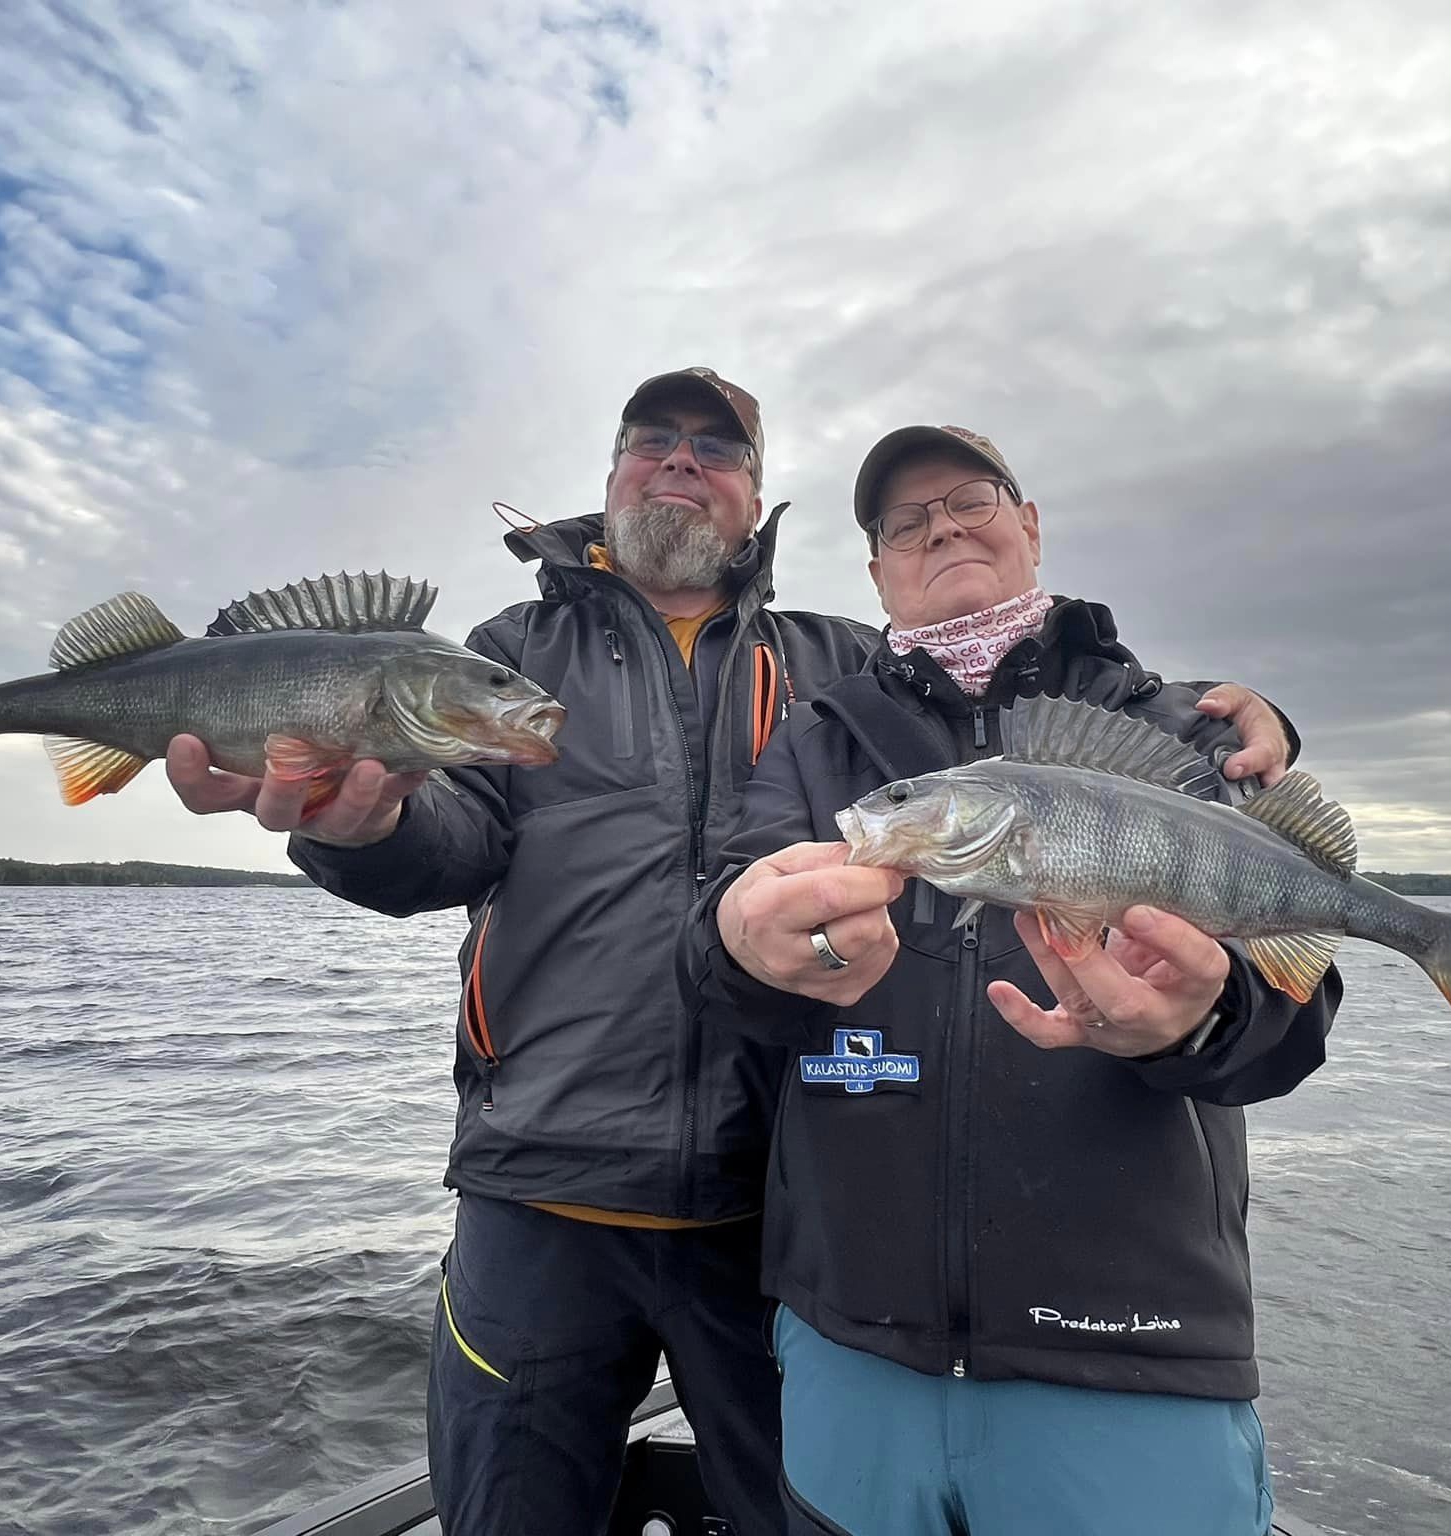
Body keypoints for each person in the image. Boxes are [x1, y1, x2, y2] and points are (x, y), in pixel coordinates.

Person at [165, 380, 1296, 1534]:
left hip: (759, 1212)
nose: (680, 464)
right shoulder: (511, 655)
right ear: (611, 479)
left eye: (718, 449)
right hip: (537, 1189)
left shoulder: (839, 668)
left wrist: (1230, 726)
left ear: (757, 501)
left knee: (774, 1507)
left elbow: (995, 704)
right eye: (652, 443)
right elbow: (447, 841)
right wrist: (361, 825)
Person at [680, 424, 1341, 1536]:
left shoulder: (1182, 728)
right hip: (854, 1342)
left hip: (1134, 1351)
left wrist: (1200, 1017)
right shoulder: (815, 746)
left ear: (1030, 526)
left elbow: (1293, 1017)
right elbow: (718, 974)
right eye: (904, 523)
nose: (941, 527)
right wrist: (743, 946)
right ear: (880, 571)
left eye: (972, 500)